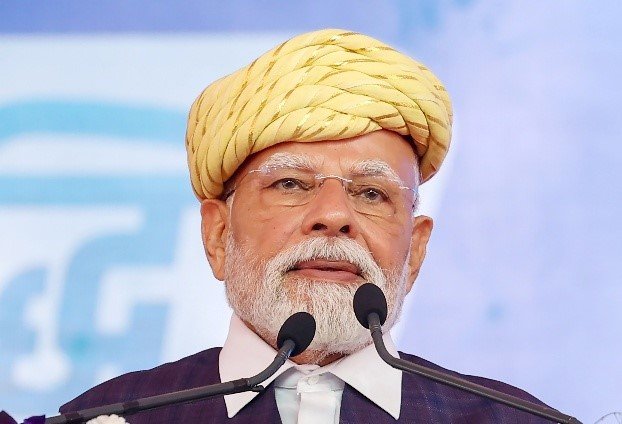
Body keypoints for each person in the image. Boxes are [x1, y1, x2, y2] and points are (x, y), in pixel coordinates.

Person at [60, 29, 555, 423]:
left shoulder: (512, 419)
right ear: (218, 235)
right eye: (292, 184)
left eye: (371, 193)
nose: (334, 215)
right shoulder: (111, 416)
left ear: (416, 251)